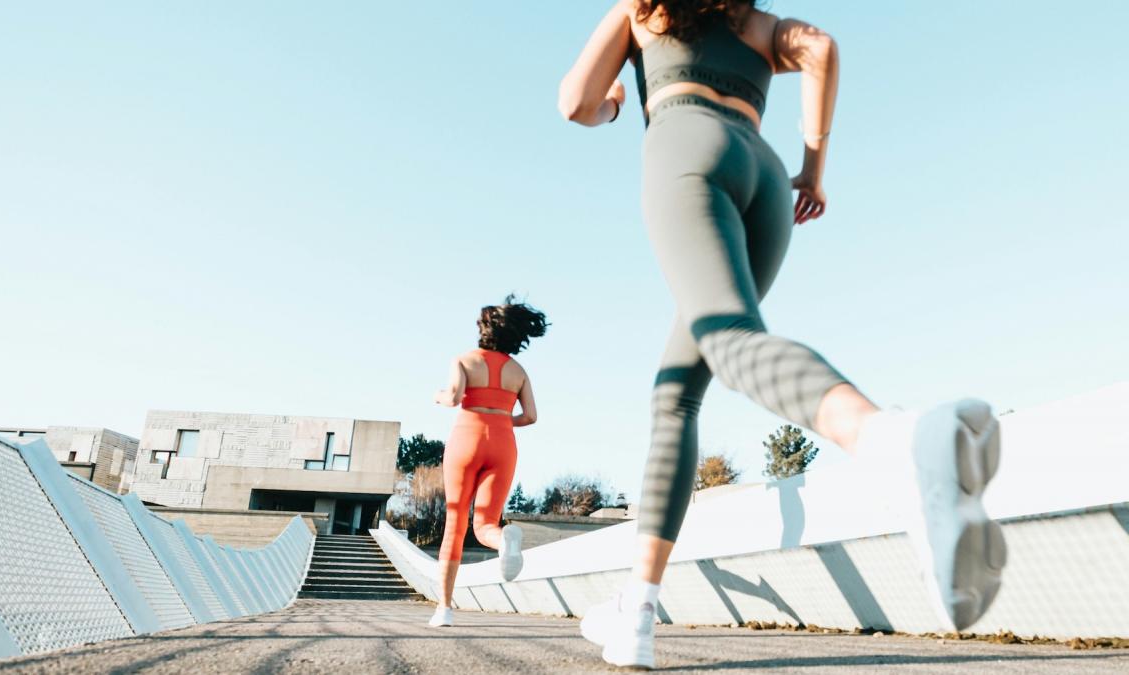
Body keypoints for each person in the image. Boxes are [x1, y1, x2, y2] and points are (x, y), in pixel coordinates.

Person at [559, 1, 1005, 668]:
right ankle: (638, 608)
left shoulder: (641, 10)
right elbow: (821, 49)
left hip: (686, 144)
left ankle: (892, 440)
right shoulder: (755, 24)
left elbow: (575, 102)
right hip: (764, 173)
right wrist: (813, 170)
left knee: (731, 340)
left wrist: (618, 102)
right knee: (676, 391)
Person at [427, 295, 548, 628]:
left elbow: (453, 398)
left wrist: (437, 395)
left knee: (456, 524)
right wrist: (501, 419)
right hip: (503, 443)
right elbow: (532, 416)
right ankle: (503, 540)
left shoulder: (464, 360)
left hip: (467, 438)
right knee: (485, 525)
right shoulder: (518, 371)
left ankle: (444, 609)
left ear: (484, 329)